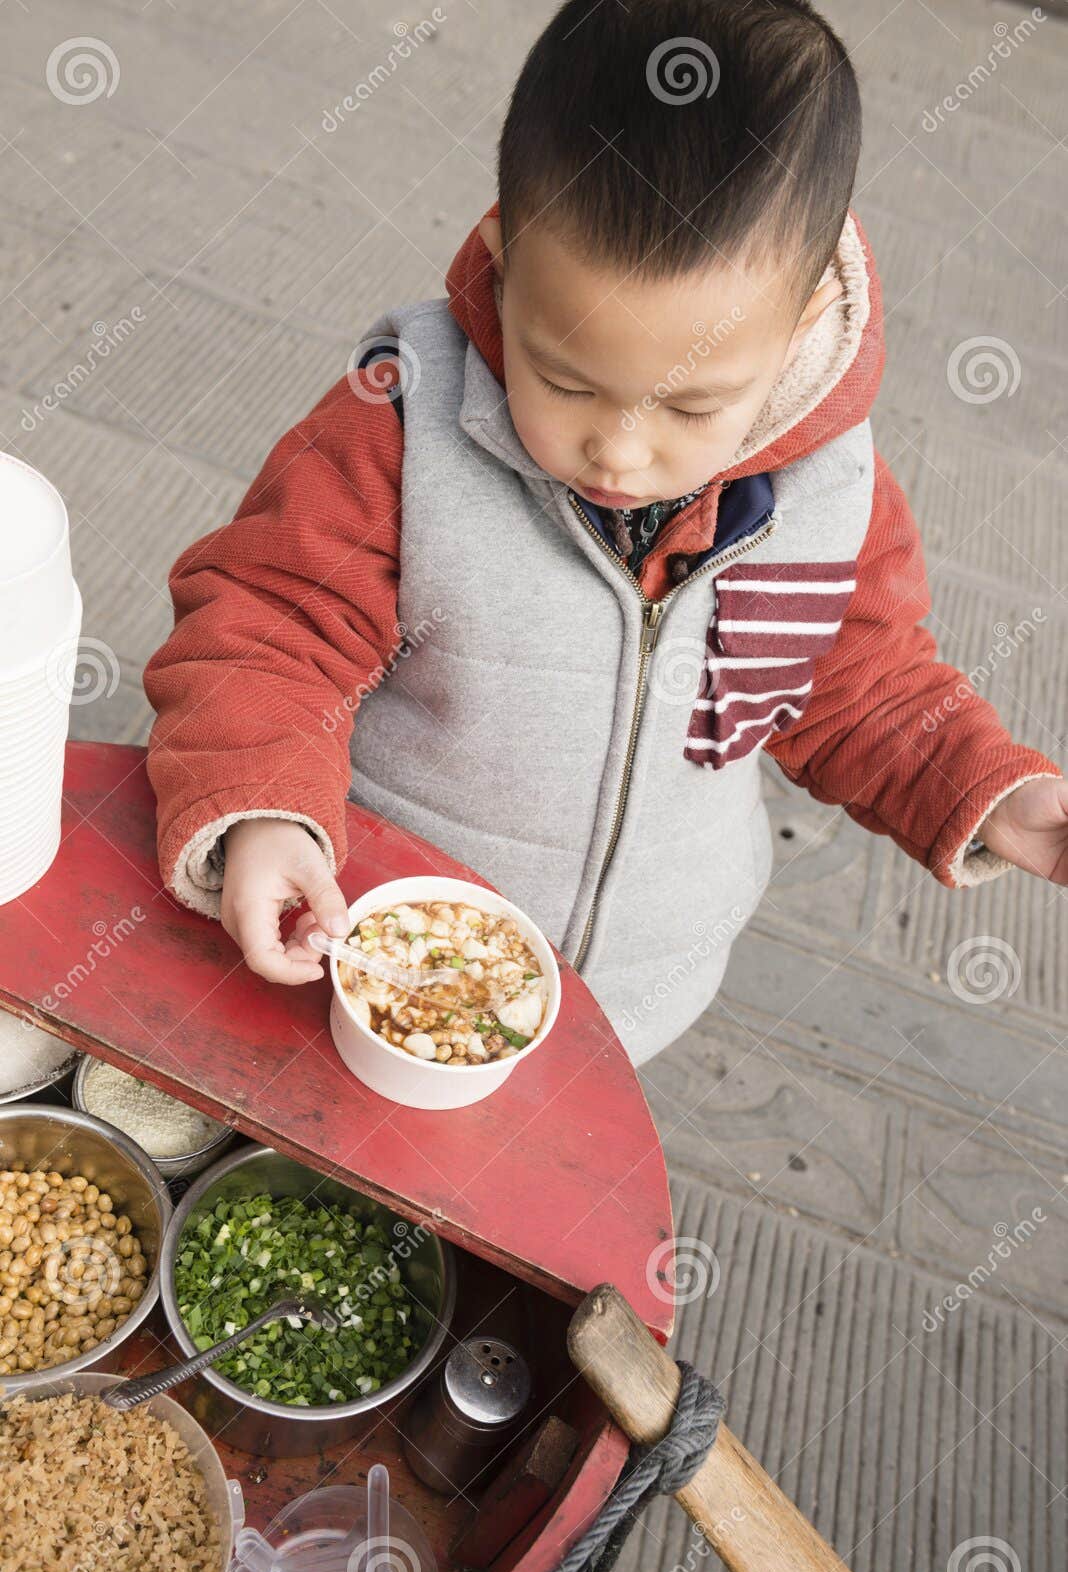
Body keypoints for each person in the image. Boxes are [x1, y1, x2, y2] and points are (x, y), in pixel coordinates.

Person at [144, 0, 1066, 1067]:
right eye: (566, 380)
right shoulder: (397, 423)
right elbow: (269, 627)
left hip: (625, 1010)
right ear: (504, 256)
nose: (619, 453)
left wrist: (984, 785)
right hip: (358, 945)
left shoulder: (831, 490)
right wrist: (266, 815)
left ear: (806, 319)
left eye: (688, 408)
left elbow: (859, 682)